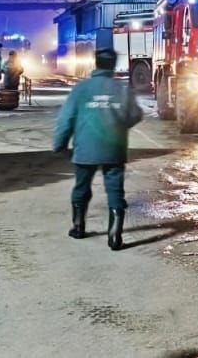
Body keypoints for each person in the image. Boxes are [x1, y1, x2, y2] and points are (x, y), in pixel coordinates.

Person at [52, 48, 143, 250]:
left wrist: (59, 144)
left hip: (85, 149)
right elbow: (136, 114)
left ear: (96, 63)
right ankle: (115, 236)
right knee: (115, 192)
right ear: (113, 65)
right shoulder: (122, 90)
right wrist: (119, 124)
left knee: (81, 188)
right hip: (114, 149)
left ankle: (78, 227)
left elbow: (66, 119)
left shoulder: (81, 89)